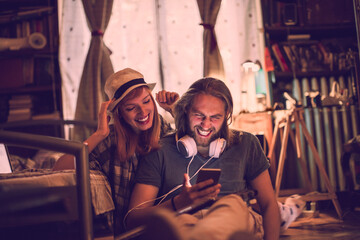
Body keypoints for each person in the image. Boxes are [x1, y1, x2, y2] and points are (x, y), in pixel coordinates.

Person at [127, 77, 281, 240]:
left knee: (232, 204)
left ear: (226, 115)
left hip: (235, 219)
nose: (206, 125)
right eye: (199, 115)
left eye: (215, 117)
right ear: (186, 110)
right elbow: (133, 219)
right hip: (189, 221)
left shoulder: (246, 144)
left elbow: (269, 204)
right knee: (183, 220)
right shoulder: (160, 151)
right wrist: (178, 203)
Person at [52, 67, 179, 235]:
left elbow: (195, 145)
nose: (142, 112)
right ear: (119, 113)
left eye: (146, 101)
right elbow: (59, 169)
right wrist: (99, 134)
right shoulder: (110, 140)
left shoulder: (163, 128)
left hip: (165, 220)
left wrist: (175, 110)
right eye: (131, 108)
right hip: (127, 229)